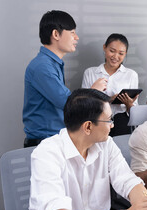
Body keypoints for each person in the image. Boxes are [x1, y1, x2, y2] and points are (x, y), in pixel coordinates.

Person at [24, 89, 147, 210]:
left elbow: (128, 181)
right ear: (88, 127)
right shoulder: (47, 153)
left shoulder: (106, 144)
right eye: (109, 120)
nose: (112, 125)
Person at [22, 10, 105, 148]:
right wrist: (93, 91)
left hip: (53, 140)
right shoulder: (43, 67)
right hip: (44, 144)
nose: (77, 37)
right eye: (72, 32)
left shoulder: (52, 64)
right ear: (56, 34)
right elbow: (68, 103)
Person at [82, 33, 139, 136]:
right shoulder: (90, 73)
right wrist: (109, 99)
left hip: (122, 122)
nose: (115, 56)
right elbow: (83, 104)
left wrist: (129, 104)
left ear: (125, 54)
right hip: (96, 121)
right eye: (112, 51)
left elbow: (134, 112)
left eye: (121, 53)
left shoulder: (131, 75)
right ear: (104, 48)